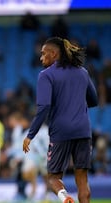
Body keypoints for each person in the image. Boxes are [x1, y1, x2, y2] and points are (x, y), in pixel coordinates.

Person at [23, 37, 98, 203]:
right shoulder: (82, 72)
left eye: (43, 54)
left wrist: (30, 135)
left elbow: (44, 107)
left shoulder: (46, 75)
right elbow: (94, 100)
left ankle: (64, 198)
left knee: (53, 177)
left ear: (54, 54)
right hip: (83, 131)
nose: (41, 58)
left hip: (60, 132)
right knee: (82, 180)